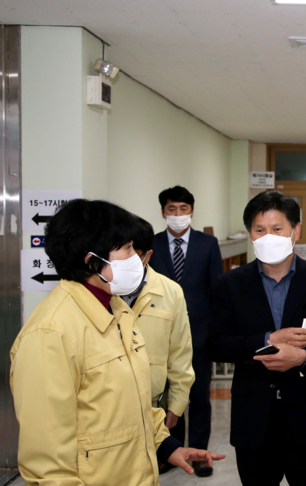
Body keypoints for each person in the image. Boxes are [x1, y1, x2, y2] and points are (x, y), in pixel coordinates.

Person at [10, 199, 224, 486]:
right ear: (92, 262)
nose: (136, 258)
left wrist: (167, 446)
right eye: (126, 248)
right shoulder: (50, 334)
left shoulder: (117, 310)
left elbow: (130, 401)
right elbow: (47, 465)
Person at [207, 191, 306, 486]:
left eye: (277, 228)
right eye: (260, 230)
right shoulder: (230, 283)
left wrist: (304, 357)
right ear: (250, 234)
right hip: (254, 417)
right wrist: (268, 339)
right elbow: (216, 344)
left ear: (296, 231)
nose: (268, 236)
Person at [149, 185, 223, 477]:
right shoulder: (152, 244)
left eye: (183, 209)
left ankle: (200, 453)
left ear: (192, 211)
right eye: (172, 209)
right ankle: (172, 451)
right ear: (163, 212)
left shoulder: (208, 243)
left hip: (199, 333)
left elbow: (216, 289)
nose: (178, 214)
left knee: (199, 396)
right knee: (168, 396)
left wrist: (215, 330)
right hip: (162, 334)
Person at [122, 216, 195, 473]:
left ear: (147, 256)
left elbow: (180, 353)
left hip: (154, 404)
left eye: (131, 255)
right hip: (111, 403)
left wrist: (177, 404)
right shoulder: (103, 293)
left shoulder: (170, 292)